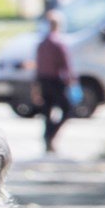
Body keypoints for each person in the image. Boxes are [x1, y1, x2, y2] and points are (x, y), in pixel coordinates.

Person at [33, 12, 76, 151]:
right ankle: (50, 135)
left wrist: (35, 87)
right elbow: (66, 65)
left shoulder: (42, 44)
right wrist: (71, 82)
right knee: (67, 109)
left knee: (47, 112)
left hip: (43, 81)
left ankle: (48, 136)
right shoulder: (58, 43)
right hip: (56, 81)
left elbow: (38, 67)